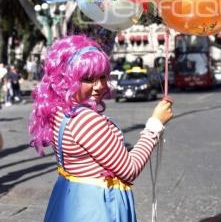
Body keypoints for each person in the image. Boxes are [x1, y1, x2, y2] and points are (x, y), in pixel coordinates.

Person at [29, 35, 173, 222]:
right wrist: (155, 125)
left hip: (72, 200)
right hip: (96, 206)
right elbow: (129, 170)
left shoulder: (60, 111)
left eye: (103, 76)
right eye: (88, 79)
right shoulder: (85, 119)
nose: (100, 86)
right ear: (66, 80)